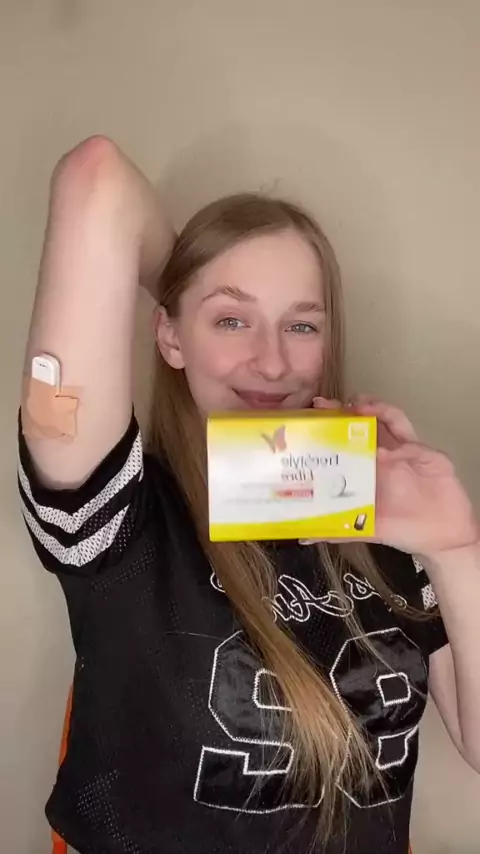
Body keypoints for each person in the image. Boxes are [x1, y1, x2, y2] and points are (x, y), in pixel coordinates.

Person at [18, 136, 480, 854]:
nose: (271, 361)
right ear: (170, 336)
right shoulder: (119, 518)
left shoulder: (388, 519)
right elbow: (95, 178)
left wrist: (456, 550)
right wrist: (187, 281)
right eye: (230, 320)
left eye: (302, 324)